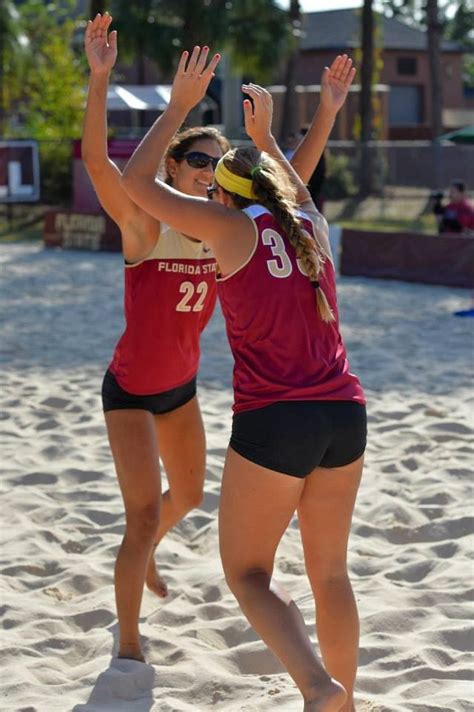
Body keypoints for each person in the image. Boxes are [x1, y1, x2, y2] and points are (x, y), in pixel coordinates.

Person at [122, 47, 363, 712]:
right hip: (345, 412)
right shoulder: (309, 223)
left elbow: (136, 185)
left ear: (225, 195)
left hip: (277, 419)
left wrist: (176, 108)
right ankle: (344, 696)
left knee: (249, 573)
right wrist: (279, 134)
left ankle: (318, 688)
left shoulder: (230, 230)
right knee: (332, 573)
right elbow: (295, 184)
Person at [82, 15, 230, 662]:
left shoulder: (225, 229)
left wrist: (329, 115)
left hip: (181, 389)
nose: (209, 171)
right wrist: (101, 80)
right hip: (131, 393)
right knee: (141, 517)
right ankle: (130, 637)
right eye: (198, 160)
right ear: (173, 165)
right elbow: (96, 160)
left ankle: (143, 552)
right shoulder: (145, 223)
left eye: (217, 164)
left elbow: (296, 182)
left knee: (191, 496)